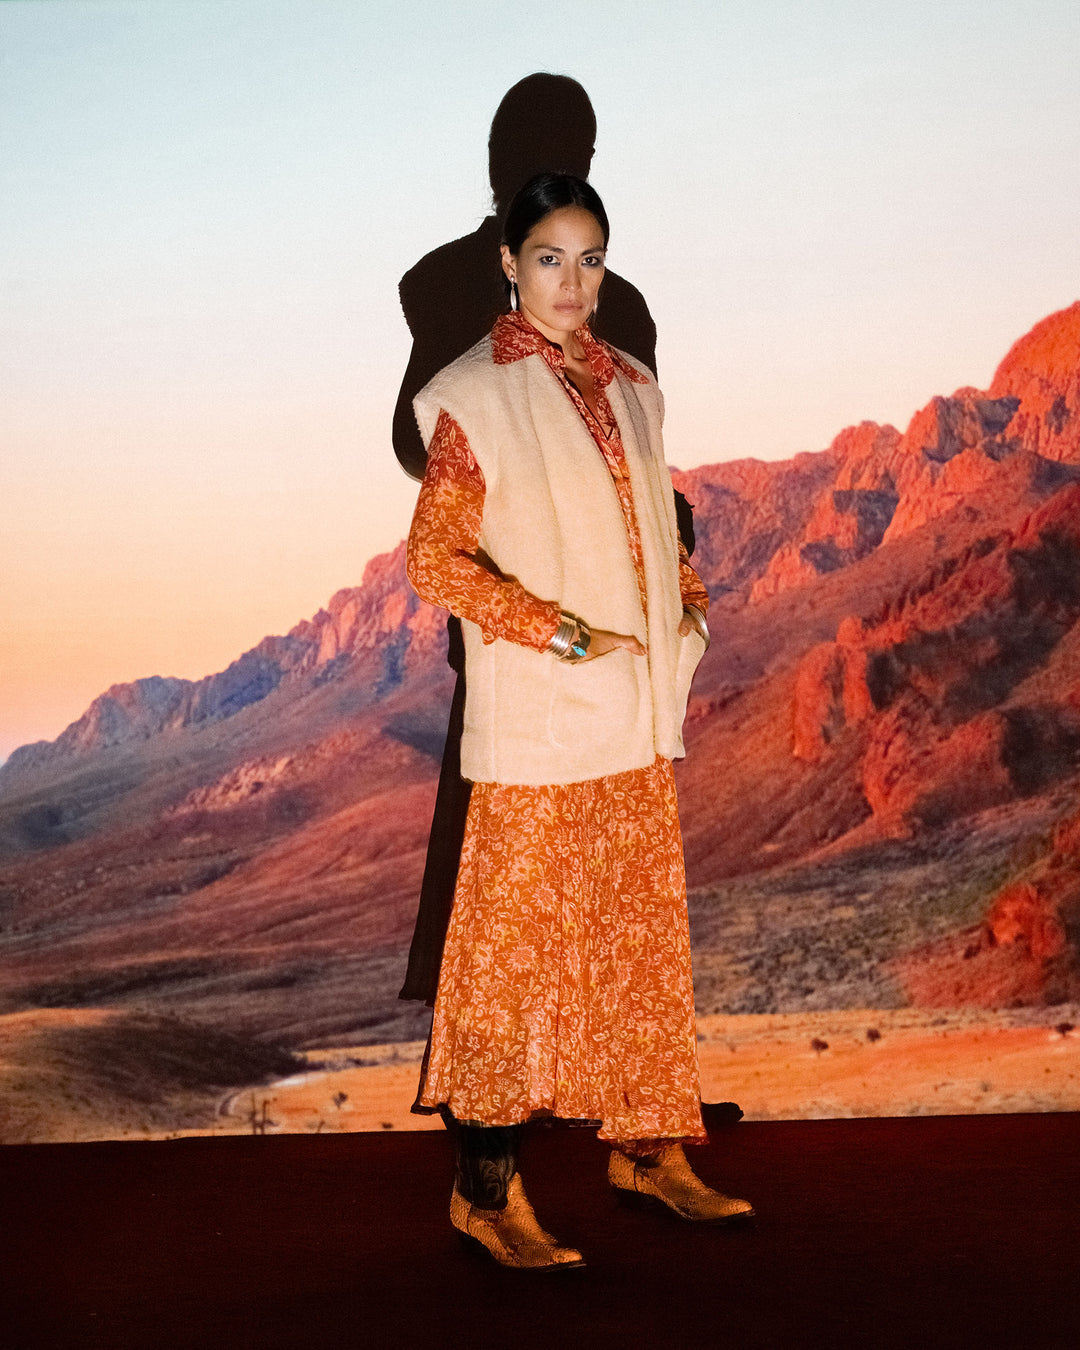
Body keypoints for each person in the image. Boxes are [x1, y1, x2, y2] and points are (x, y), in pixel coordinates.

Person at [405, 172, 752, 1271]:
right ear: (509, 263)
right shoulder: (474, 392)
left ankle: (650, 1153)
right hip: (544, 720)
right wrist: (554, 631)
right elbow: (434, 559)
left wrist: (686, 592)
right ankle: (485, 1190)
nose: (572, 282)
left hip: (635, 714)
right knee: (510, 961)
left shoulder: (635, 384)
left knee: (640, 945)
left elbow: (651, 518)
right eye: (550, 258)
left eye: (590, 258)